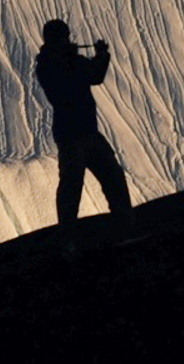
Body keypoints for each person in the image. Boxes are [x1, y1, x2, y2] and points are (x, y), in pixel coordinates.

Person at [34, 18, 135, 234]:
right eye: (64, 38)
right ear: (56, 40)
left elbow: (94, 76)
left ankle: (124, 226)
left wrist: (101, 57)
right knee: (72, 187)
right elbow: (80, 79)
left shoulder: (62, 62)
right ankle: (68, 238)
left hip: (84, 132)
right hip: (73, 136)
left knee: (113, 177)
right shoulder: (48, 65)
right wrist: (94, 57)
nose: (68, 41)